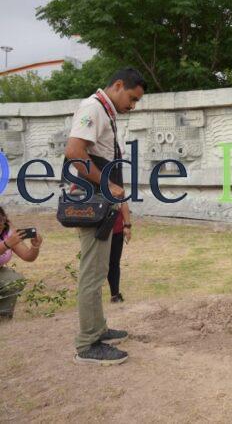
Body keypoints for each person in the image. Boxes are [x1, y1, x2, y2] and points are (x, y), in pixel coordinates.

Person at [64, 68, 146, 365]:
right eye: (132, 98)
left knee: (98, 270)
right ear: (119, 85)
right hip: (94, 201)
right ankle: (88, 343)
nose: (132, 106)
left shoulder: (105, 112)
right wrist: (105, 184)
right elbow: (74, 151)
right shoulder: (93, 109)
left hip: (103, 202)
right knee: (92, 272)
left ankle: (98, 329)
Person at [0, 206, 44, 319]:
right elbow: (7, 245)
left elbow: (28, 256)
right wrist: (6, 245)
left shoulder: (8, 232)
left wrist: (35, 246)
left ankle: (3, 315)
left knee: (15, 280)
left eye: (1, 220)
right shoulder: (8, 240)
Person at [108, 202, 132, 303]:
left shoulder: (116, 185)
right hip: (94, 231)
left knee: (114, 263)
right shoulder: (82, 185)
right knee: (97, 265)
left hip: (116, 230)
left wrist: (127, 226)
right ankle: (91, 296)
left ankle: (115, 295)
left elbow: (123, 202)